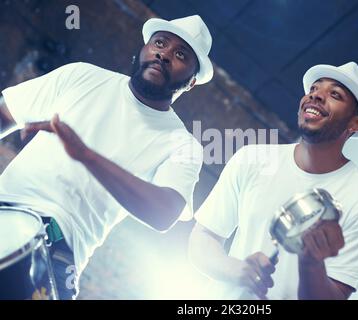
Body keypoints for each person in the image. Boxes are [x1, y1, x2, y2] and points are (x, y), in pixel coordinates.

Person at [0, 15, 213, 299]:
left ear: (192, 82)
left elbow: (164, 214)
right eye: (160, 43)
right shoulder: (81, 76)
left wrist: (85, 155)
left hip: (57, 248)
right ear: (144, 48)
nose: (164, 55)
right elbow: (5, 114)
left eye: (180, 55)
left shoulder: (182, 145)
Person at [189, 62, 358, 300]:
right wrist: (238, 270)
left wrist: (311, 263)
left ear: (355, 123)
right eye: (314, 89)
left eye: (335, 94)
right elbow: (203, 239)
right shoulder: (252, 159)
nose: (316, 96)